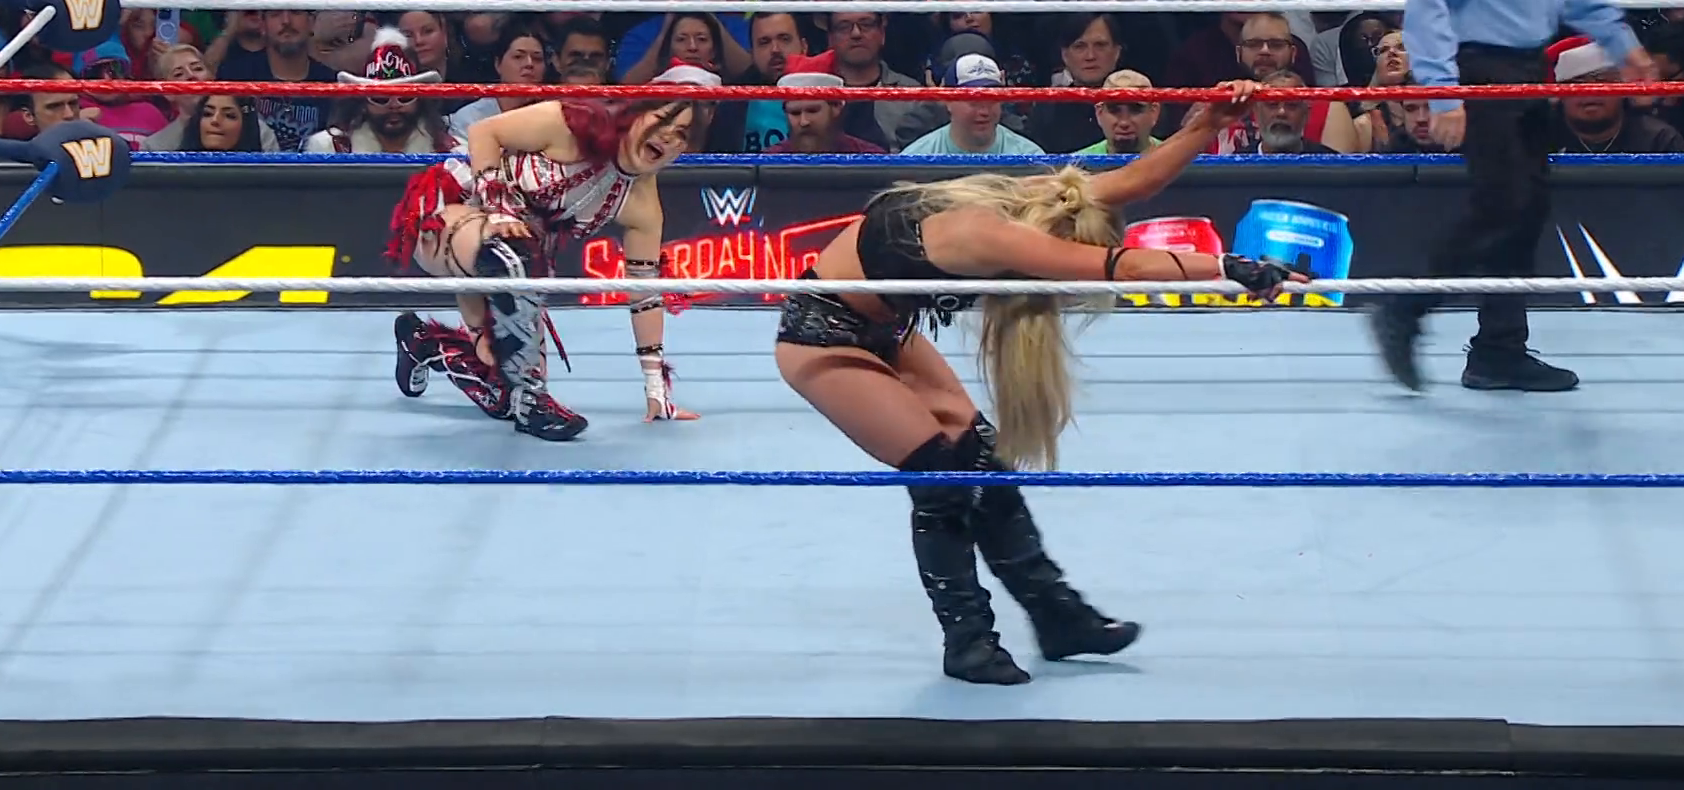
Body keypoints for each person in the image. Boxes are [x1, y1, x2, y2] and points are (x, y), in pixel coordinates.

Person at [773, 81, 1304, 685]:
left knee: (980, 457)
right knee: (940, 476)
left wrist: (1206, 124)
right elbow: (1122, 266)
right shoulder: (993, 234)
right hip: (821, 335)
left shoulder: (1039, 200)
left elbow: (1132, 182)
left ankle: (1059, 617)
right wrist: (1228, 266)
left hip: (887, 327)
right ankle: (968, 641)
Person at [1371, 0, 1657, 394]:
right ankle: (1404, 309)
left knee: (1528, 208)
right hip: (1479, 65)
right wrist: (1443, 91)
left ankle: (1498, 350)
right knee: (1503, 203)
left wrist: (1621, 43)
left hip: (1530, 64)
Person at [387, 62, 719, 441]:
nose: (668, 137)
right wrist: (498, 209)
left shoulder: (641, 204)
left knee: (503, 388)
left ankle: (423, 342)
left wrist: (655, 386)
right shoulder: (574, 122)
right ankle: (533, 404)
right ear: (637, 111)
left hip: (515, 265)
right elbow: (484, 132)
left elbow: (644, 292)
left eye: (682, 135)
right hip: (450, 215)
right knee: (512, 259)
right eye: (661, 120)